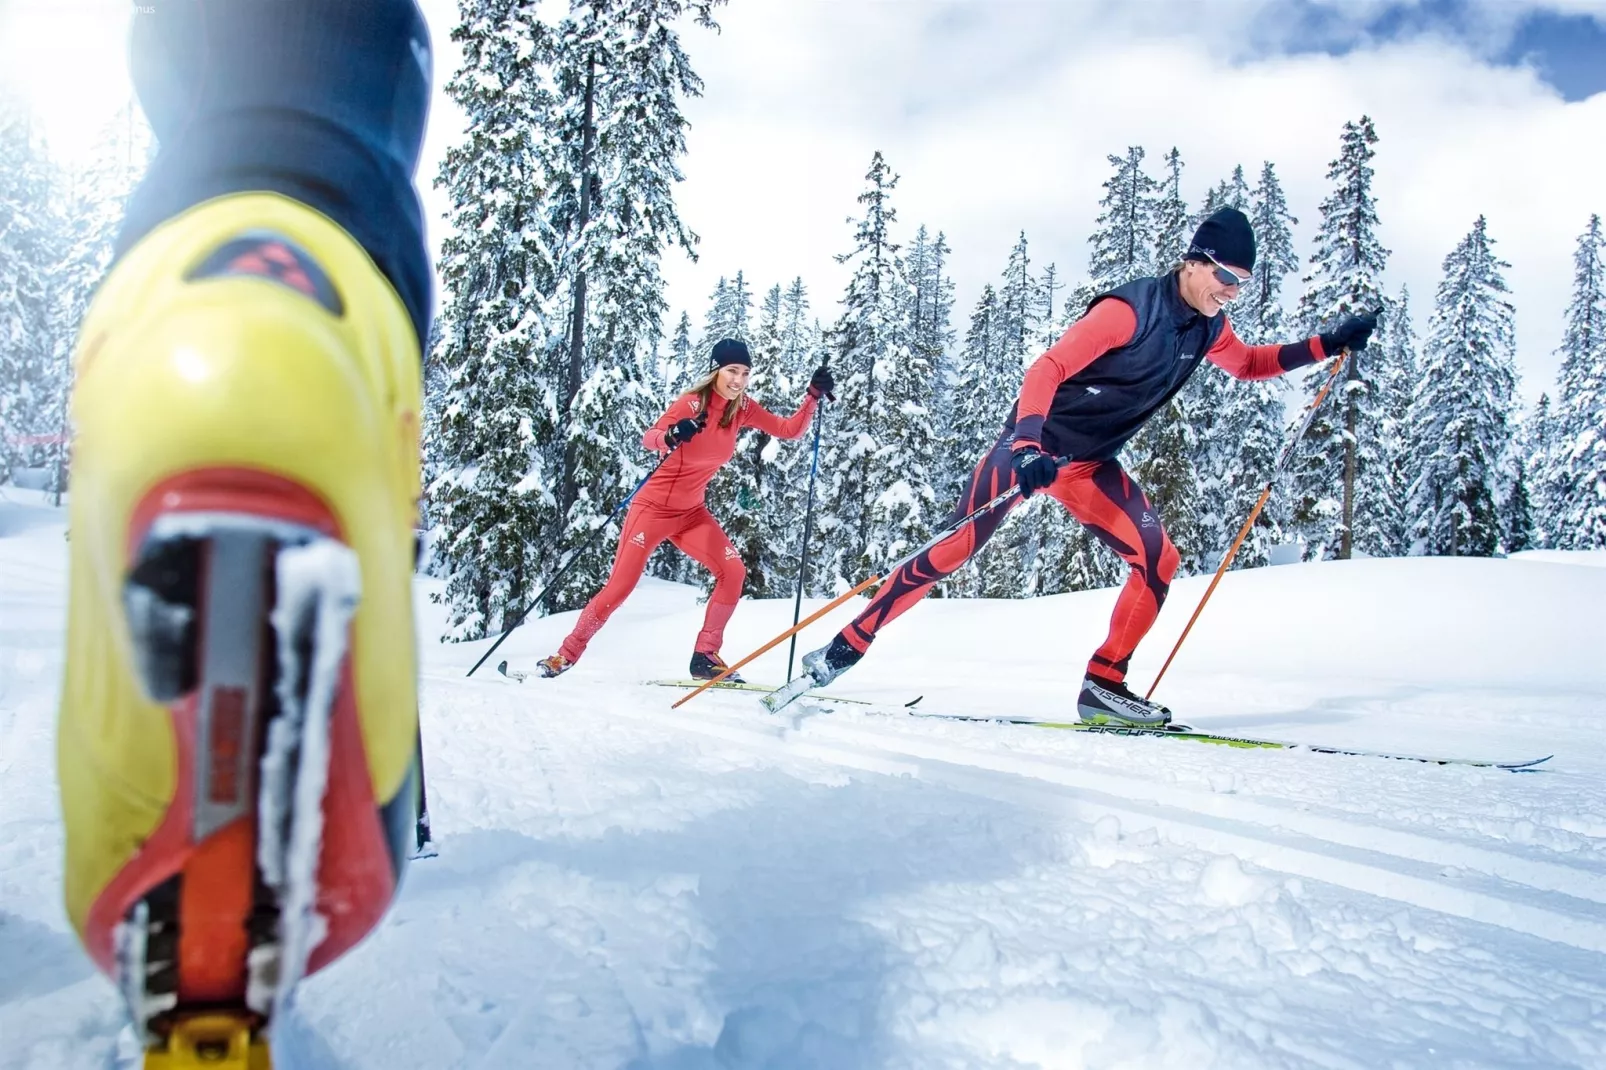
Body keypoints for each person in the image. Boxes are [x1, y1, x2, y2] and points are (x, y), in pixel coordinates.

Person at [57, 1, 434, 1063]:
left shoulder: (738, 410)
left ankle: (188, 328)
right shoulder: (697, 404)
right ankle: (327, 335)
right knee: (354, 64)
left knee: (200, 65)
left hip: (168, 259)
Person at [794, 207, 1376, 726]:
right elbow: (1045, 370)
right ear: (1195, 262)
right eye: (1226, 278)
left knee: (1157, 560)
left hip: (1090, 463)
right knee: (956, 547)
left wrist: (1327, 343)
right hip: (1036, 445)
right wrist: (1026, 447)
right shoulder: (1129, 311)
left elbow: (1249, 364)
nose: (1231, 292)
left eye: (1242, 285)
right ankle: (845, 645)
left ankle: (1104, 685)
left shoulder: (1209, 327)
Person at [537, 338, 834, 681]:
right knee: (619, 589)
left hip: (691, 514)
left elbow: (789, 430)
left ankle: (705, 657)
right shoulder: (692, 405)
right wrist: (671, 435)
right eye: (732, 371)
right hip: (652, 510)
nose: (738, 380)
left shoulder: (743, 409)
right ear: (715, 371)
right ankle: (565, 654)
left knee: (733, 571)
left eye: (745, 373)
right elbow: (650, 437)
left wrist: (812, 397)